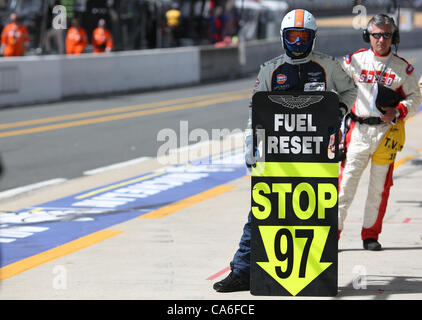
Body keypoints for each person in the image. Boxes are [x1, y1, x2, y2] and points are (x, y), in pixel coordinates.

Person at [213, 9, 357, 293]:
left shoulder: (329, 66)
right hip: (277, 155)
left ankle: (315, 271)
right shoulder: (270, 69)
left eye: (304, 36)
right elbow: (256, 113)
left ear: (312, 37)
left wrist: (337, 111)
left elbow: (350, 91)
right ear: (283, 37)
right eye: (293, 35)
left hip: (317, 156)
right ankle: (243, 271)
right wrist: (250, 145)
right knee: (262, 211)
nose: (298, 41)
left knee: (317, 212)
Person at [338, 14, 421, 251]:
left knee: (379, 188)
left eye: (386, 35)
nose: (381, 40)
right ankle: (333, 234)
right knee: (345, 186)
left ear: (393, 37)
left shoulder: (403, 68)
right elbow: (336, 86)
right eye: (376, 35)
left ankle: (370, 235)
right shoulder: (353, 61)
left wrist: (398, 111)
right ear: (368, 36)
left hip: (387, 133)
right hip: (357, 131)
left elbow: (416, 98)